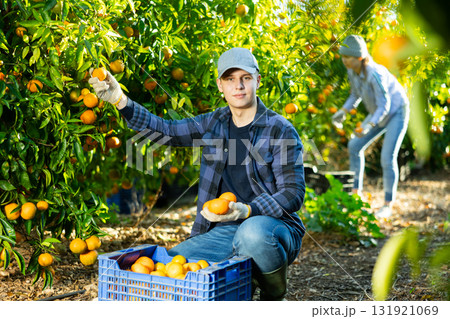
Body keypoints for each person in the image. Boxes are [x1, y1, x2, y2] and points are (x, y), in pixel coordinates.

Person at [89, 47, 306, 300]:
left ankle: (273, 295)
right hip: (224, 230)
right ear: (220, 86)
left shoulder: (280, 129)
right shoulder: (214, 123)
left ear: (257, 81)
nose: (238, 86)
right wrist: (120, 100)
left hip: (272, 228)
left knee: (252, 234)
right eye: (230, 79)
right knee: (174, 267)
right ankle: (243, 283)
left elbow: (293, 193)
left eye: (245, 78)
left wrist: (248, 210)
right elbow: (165, 131)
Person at [332, 35, 410, 218]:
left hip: (396, 112)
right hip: (377, 113)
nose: (344, 61)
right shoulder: (352, 71)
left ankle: (388, 205)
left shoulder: (376, 74)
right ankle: (354, 196)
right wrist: (343, 110)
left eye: (347, 57)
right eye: (342, 57)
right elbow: (355, 95)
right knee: (354, 146)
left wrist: (370, 125)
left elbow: (386, 105)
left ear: (359, 57)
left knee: (387, 157)